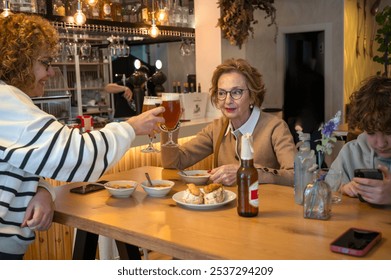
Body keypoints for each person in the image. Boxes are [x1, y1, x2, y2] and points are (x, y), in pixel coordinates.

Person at [0, 14, 165, 259]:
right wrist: (130, 128)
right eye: (45, 62)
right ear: (19, 62)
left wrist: (42, 189)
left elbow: (24, 162)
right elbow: (76, 156)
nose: (52, 72)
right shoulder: (6, 101)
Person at [161, 58, 296, 186]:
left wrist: (246, 172)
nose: (227, 100)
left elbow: (295, 175)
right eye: (221, 93)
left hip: (265, 207)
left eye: (236, 92)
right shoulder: (217, 128)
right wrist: (169, 128)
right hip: (224, 207)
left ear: (252, 96)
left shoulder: (275, 127)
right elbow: (174, 163)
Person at [329, 75, 391, 205]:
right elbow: (326, 190)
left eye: (389, 132)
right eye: (371, 132)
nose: (381, 143)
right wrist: (342, 189)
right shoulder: (351, 153)